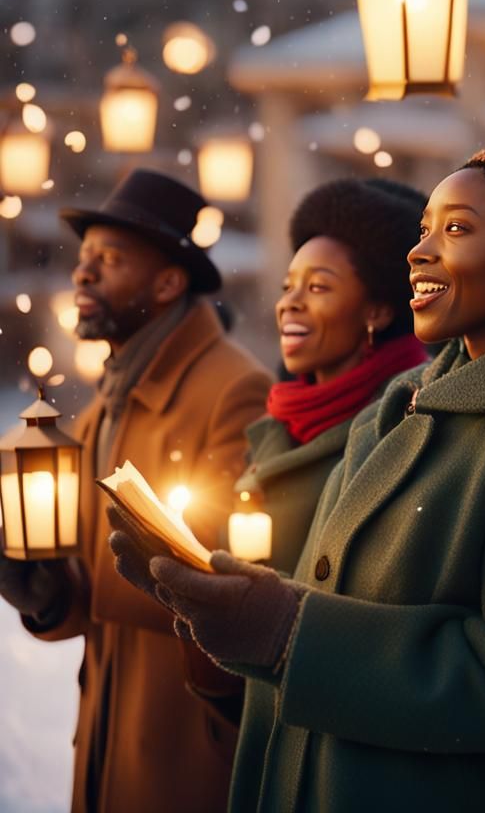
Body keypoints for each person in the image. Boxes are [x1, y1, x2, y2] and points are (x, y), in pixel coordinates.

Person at [112, 91, 485, 811]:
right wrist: (221, 609)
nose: (420, 249)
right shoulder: (400, 408)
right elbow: (328, 604)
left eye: (456, 228)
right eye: (424, 227)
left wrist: (287, 632)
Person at [0, 168, 272, 813]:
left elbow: (220, 575)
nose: (84, 273)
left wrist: (82, 577)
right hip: (106, 736)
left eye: (111, 259)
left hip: (184, 742)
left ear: (169, 281)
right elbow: (93, 596)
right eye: (85, 258)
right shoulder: (106, 401)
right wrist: (45, 593)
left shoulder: (235, 389)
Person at [233, 177, 428, 574]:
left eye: (318, 287)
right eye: (288, 286)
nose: (290, 303)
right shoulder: (280, 420)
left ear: (378, 311)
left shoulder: (404, 423)